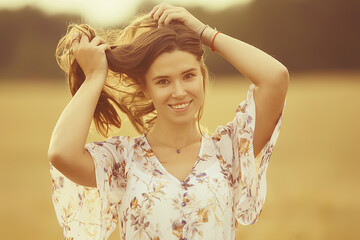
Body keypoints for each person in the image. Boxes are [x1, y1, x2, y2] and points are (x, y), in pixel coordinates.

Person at [48, 2, 288, 239]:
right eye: (163, 81)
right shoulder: (123, 160)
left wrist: (205, 33)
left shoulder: (229, 151)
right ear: (145, 89)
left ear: (202, 77)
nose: (179, 91)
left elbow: (275, 78)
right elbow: (61, 153)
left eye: (188, 76)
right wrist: (95, 76)